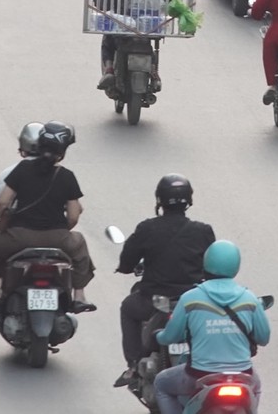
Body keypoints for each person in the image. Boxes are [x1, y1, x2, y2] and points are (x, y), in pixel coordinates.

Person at [0, 121, 96, 308]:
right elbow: (73, 216)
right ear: (62, 153)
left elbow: (2, 203)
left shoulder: (22, 170)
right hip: (58, 239)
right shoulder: (66, 176)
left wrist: (6, 220)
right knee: (79, 243)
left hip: (19, 237)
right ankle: (79, 295)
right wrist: (59, 232)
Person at [114, 176, 215, 386]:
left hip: (154, 302)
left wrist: (125, 268)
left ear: (159, 200)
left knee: (128, 307)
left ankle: (133, 366)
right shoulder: (203, 231)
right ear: (189, 200)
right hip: (192, 303)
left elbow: (127, 259)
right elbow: (212, 266)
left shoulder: (147, 228)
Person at [151, 240, 268, 414]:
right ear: (235, 266)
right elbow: (263, 338)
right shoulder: (249, 299)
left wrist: (159, 336)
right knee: (256, 387)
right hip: (242, 374)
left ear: (206, 264)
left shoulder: (190, 298)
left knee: (161, 384)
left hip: (199, 375)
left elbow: (171, 336)